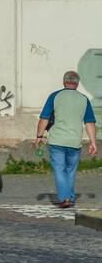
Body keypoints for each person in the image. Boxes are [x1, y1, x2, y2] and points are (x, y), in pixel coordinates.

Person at [36, 70, 98, 209]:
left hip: (57, 141)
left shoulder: (54, 96)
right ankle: (69, 197)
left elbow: (44, 118)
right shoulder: (84, 99)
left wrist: (39, 136)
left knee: (59, 169)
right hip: (75, 142)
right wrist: (93, 142)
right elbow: (90, 122)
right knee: (70, 170)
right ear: (77, 83)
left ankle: (65, 198)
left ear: (64, 82)